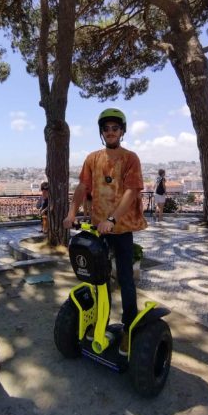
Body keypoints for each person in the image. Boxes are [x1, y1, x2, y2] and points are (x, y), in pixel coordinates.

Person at [63, 108, 147, 356]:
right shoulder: (92, 158)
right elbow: (82, 187)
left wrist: (112, 219)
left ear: (122, 131)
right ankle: (102, 324)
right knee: (98, 279)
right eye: (106, 128)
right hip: (99, 229)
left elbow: (132, 192)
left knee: (125, 278)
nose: (111, 132)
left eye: (115, 128)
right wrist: (71, 213)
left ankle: (129, 329)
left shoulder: (130, 158)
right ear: (102, 132)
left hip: (120, 228)